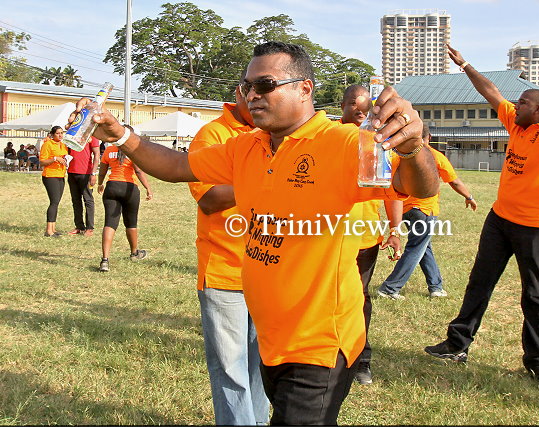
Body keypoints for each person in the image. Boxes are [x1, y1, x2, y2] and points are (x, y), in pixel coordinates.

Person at [69, 41, 439, 425]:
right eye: (247, 86)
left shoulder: (341, 142)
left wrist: (413, 148)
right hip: (272, 339)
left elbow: (419, 186)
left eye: (265, 85)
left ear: (304, 89)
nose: (252, 95)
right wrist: (120, 134)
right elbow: (177, 166)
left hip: (320, 344)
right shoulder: (247, 146)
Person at [424, 32, 539, 388]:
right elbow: (492, 92)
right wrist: (465, 64)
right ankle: (457, 344)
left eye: (523, 102)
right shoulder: (517, 123)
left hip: (535, 227)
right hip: (500, 220)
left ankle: (536, 362)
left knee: (535, 295)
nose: (516, 104)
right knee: (479, 282)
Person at [187, 83, 269, 425]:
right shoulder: (213, 135)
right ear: (240, 93)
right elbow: (208, 198)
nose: (262, 100)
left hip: (269, 267)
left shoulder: (271, 133)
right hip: (225, 269)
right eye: (255, 92)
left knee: (263, 363)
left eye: (269, 91)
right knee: (230, 368)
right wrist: (267, 179)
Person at [339, 84, 403, 386]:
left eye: (366, 104)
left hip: (364, 237)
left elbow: (393, 190)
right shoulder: (327, 136)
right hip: (325, 235)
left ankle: (361, 359)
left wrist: (395, 229)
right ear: (342, 105)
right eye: (354, 102)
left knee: (360, 297)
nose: (361, 108)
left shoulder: (378, 140)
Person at [378, 126, 478, 300]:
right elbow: (454, 181)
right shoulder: (434, 155)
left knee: (424, 247)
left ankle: (436, 286)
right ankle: (390, 288)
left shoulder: (401, 154)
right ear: (429, 137)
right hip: (425, 210)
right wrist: (469, 196)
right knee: (416, 248)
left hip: (405, 209)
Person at [96, 126, 153, 272]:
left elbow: (102, 170)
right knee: (131, 222)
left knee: (110, 223)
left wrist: (100, 183)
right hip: (129, 188)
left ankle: (105, 260)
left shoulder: (109, 150)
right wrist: (148, 188)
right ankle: (134, 253)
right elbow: (138, 171)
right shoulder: (133, 152)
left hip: (112, 187)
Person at [67, 136, 101, 236]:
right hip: (72, 172)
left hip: (86, 173)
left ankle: (89, 228)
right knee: (75, 201)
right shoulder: (73, 134)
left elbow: (97, 154)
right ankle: (79, 226)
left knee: (88, 200)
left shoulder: (92, 136)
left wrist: (93, 173)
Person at [39, 126, 68, 237]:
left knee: (56, 202)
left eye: (61, 133)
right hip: (50, 175)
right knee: (54, 202)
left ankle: (53, 229)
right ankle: (48, 231)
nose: (60, 135)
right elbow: (42, 162)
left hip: (61, 175)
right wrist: (55, 159)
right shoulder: (47, 144)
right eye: (57, 133)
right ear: (52, 134)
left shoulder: (63, 144)